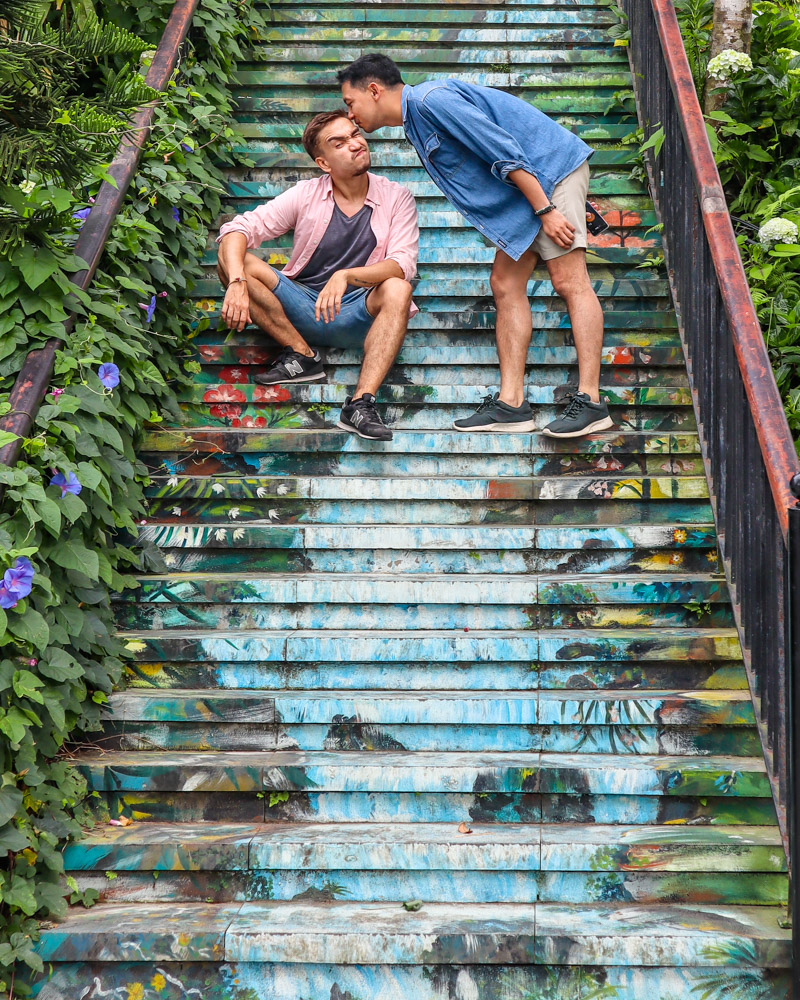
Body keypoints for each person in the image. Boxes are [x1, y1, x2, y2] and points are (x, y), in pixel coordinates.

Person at [336, 54, 615, 439]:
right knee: (505, 283)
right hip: (526, 194)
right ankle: (512, 405)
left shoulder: (431, 101)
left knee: (569, 280)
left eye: (350, 103)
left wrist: (547, 209)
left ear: (373, 90)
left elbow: (502, 148)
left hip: (548, 176)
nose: (350, 116)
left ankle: (592, 401)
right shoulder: (416, 120)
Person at [216, 110, 419, 441]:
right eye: (339, 143)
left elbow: (402, 264)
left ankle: (360, 404)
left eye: (355, 134)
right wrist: (237, 281)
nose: (355, 144)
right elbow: (238, 229)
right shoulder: (307, 194)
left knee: (398, 287)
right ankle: (302, 355)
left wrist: (346, 276)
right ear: (324, 163)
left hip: (359, 314)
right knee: (233, 259)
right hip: (302, 308)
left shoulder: (397, 197)